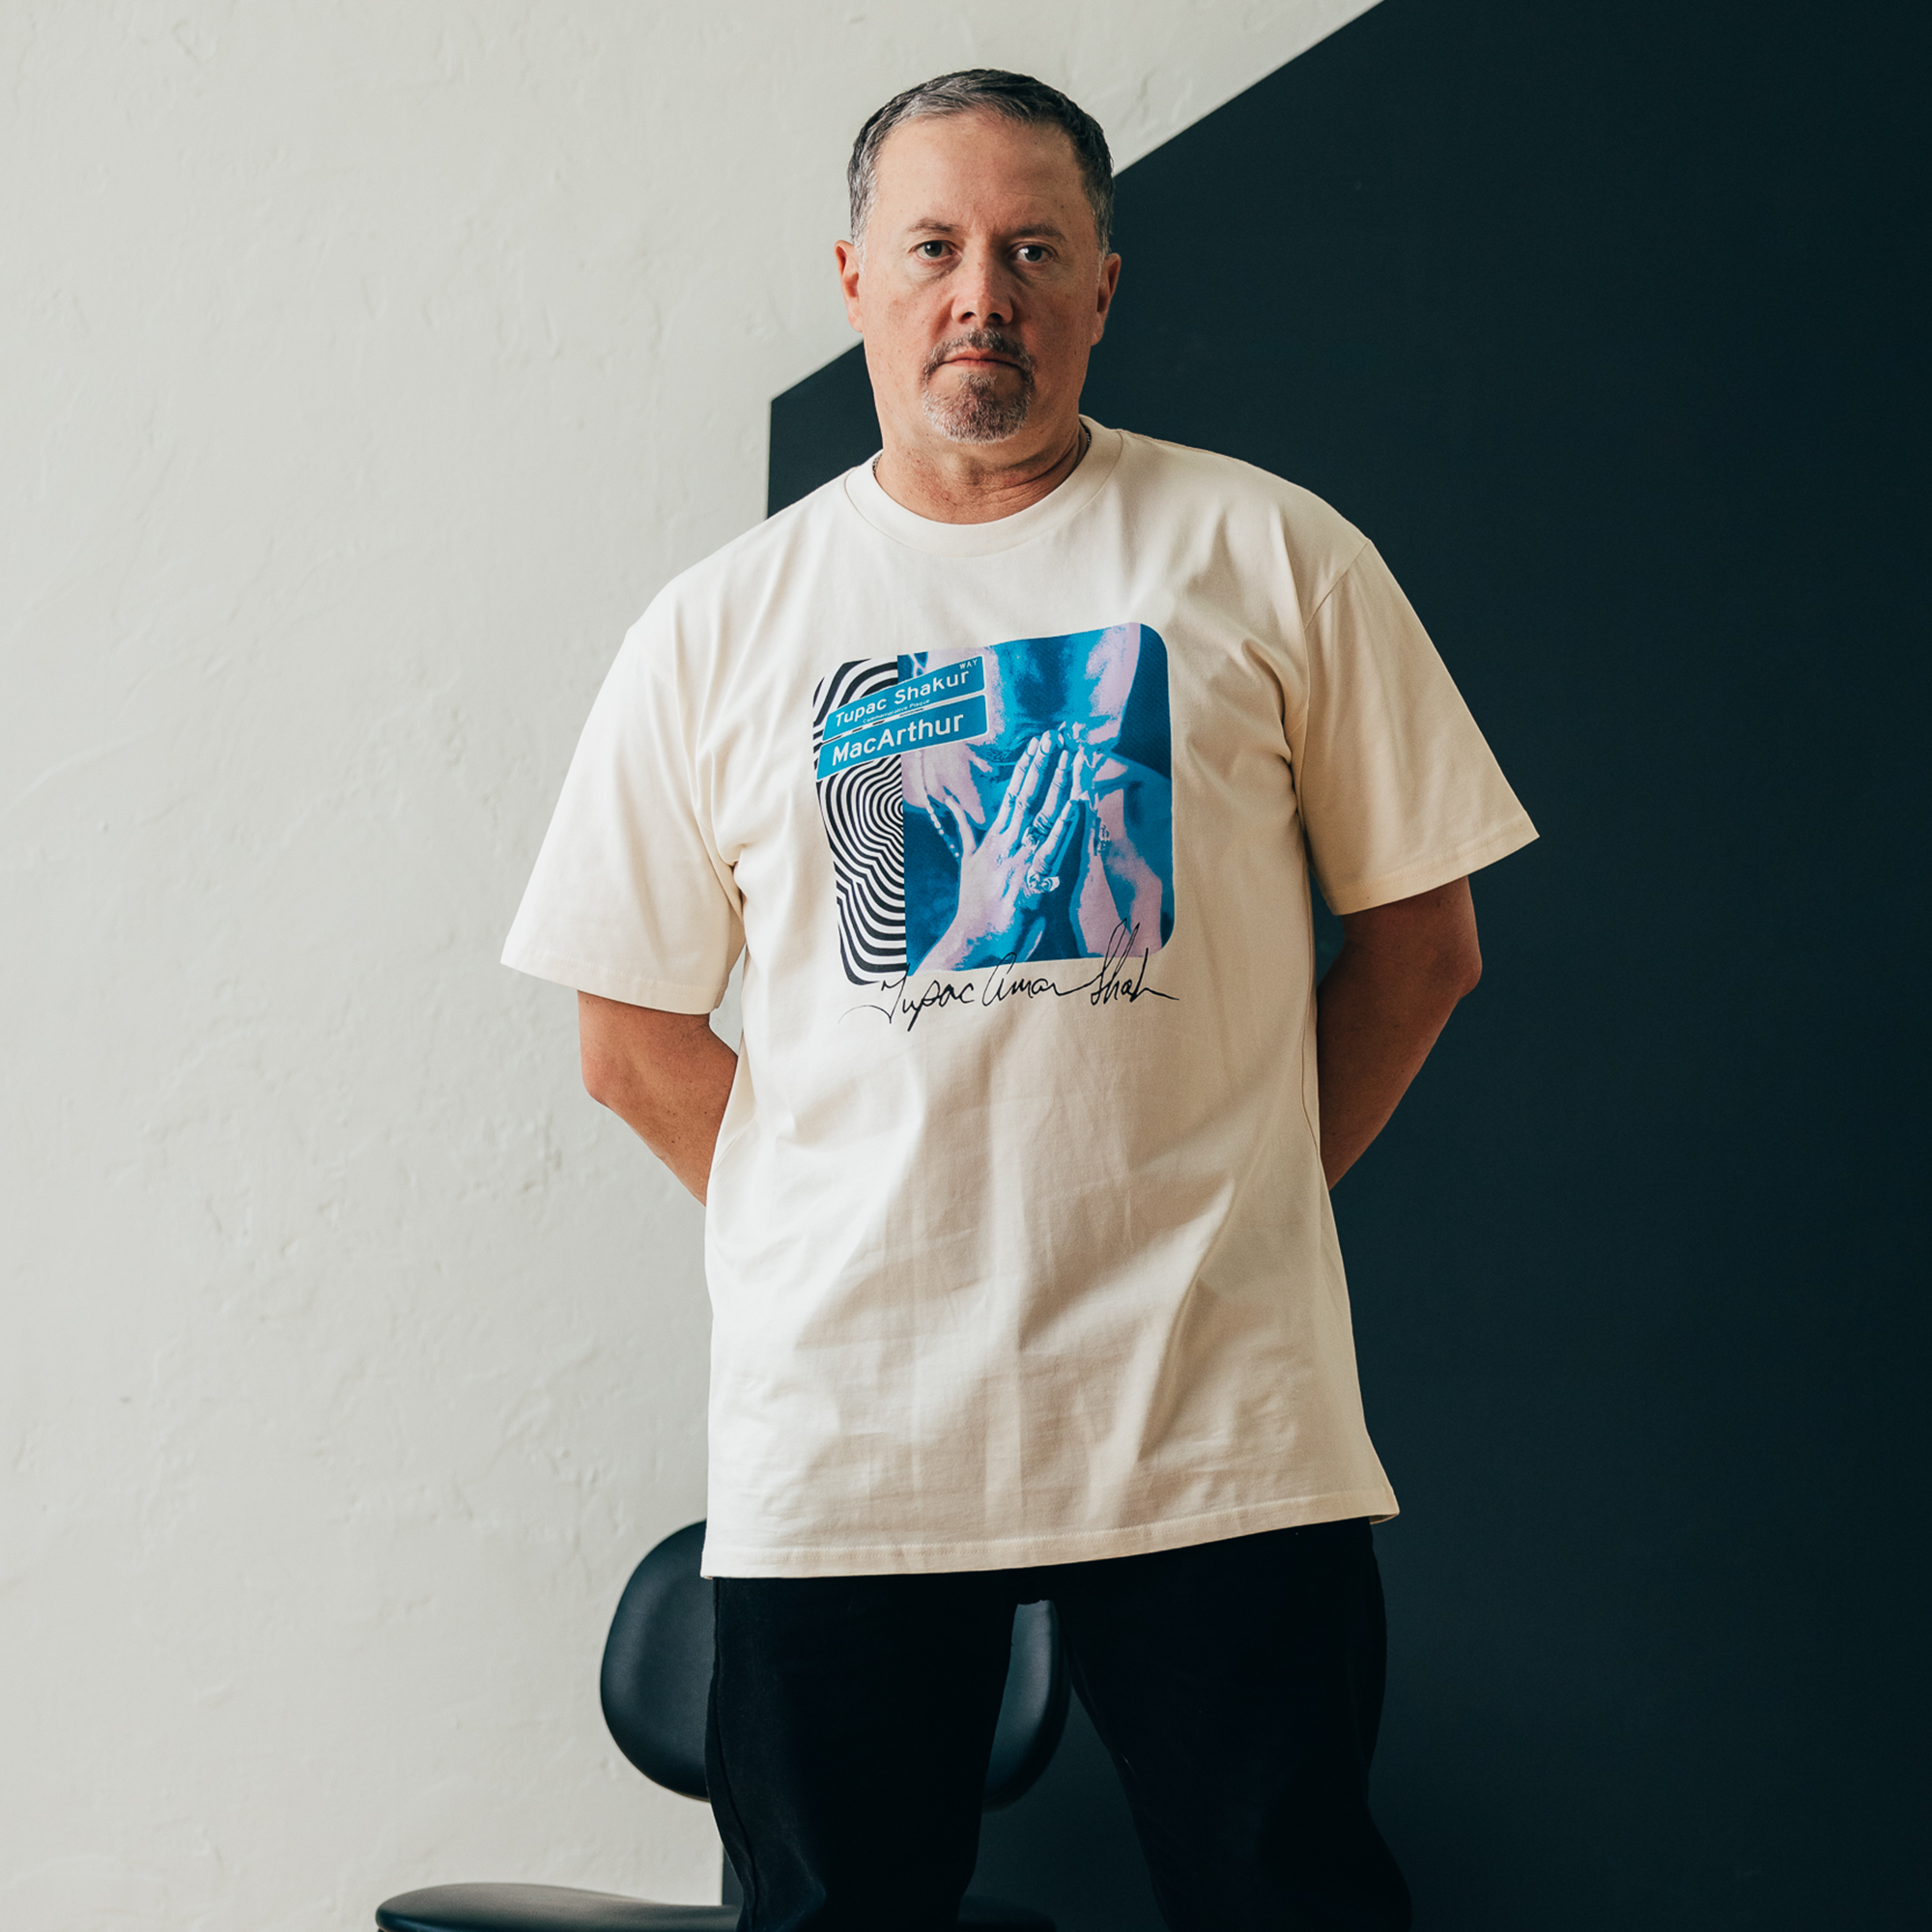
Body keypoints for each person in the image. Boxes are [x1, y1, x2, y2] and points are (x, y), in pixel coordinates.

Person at [502, 68, 1536, 1932]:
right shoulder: (721, 626)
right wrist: (826, 1227)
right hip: (851, 1428)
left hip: (1215, 1414)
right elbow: (630, 1035)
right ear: (856, 282)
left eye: (1033, 249)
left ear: (1102, 292)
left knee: (1287, 1897)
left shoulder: (1272, 556)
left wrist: (1244, 1196)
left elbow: (1423, 948)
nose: (984, 291)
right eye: (937, 247)